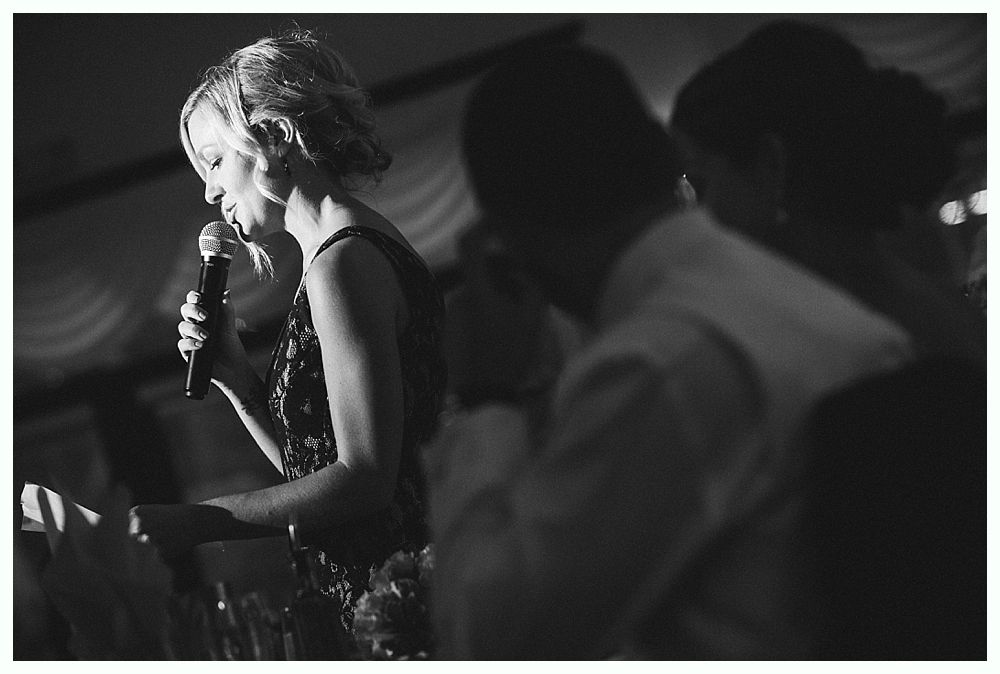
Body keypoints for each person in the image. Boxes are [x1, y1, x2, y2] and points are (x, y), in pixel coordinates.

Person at [425, 44, 914, 659]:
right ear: (662, 157)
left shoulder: (659, 363)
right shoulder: (766, 288)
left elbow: (494, 640)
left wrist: (485, 399)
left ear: (506, 235)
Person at [128, 29, 447, 630]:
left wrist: (198, 522)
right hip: (390, 592)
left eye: (215, 159)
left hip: (404, 604)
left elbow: (366, 480)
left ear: (272, 136)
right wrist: (237, 380)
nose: (208, 190)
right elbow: (322, 470)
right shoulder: (345, 255)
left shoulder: (344, 263)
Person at [670, 19, 986, 363]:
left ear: (769, 164)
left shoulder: (825, 342)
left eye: (700, 180)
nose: (697, 214)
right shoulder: (935, 307)